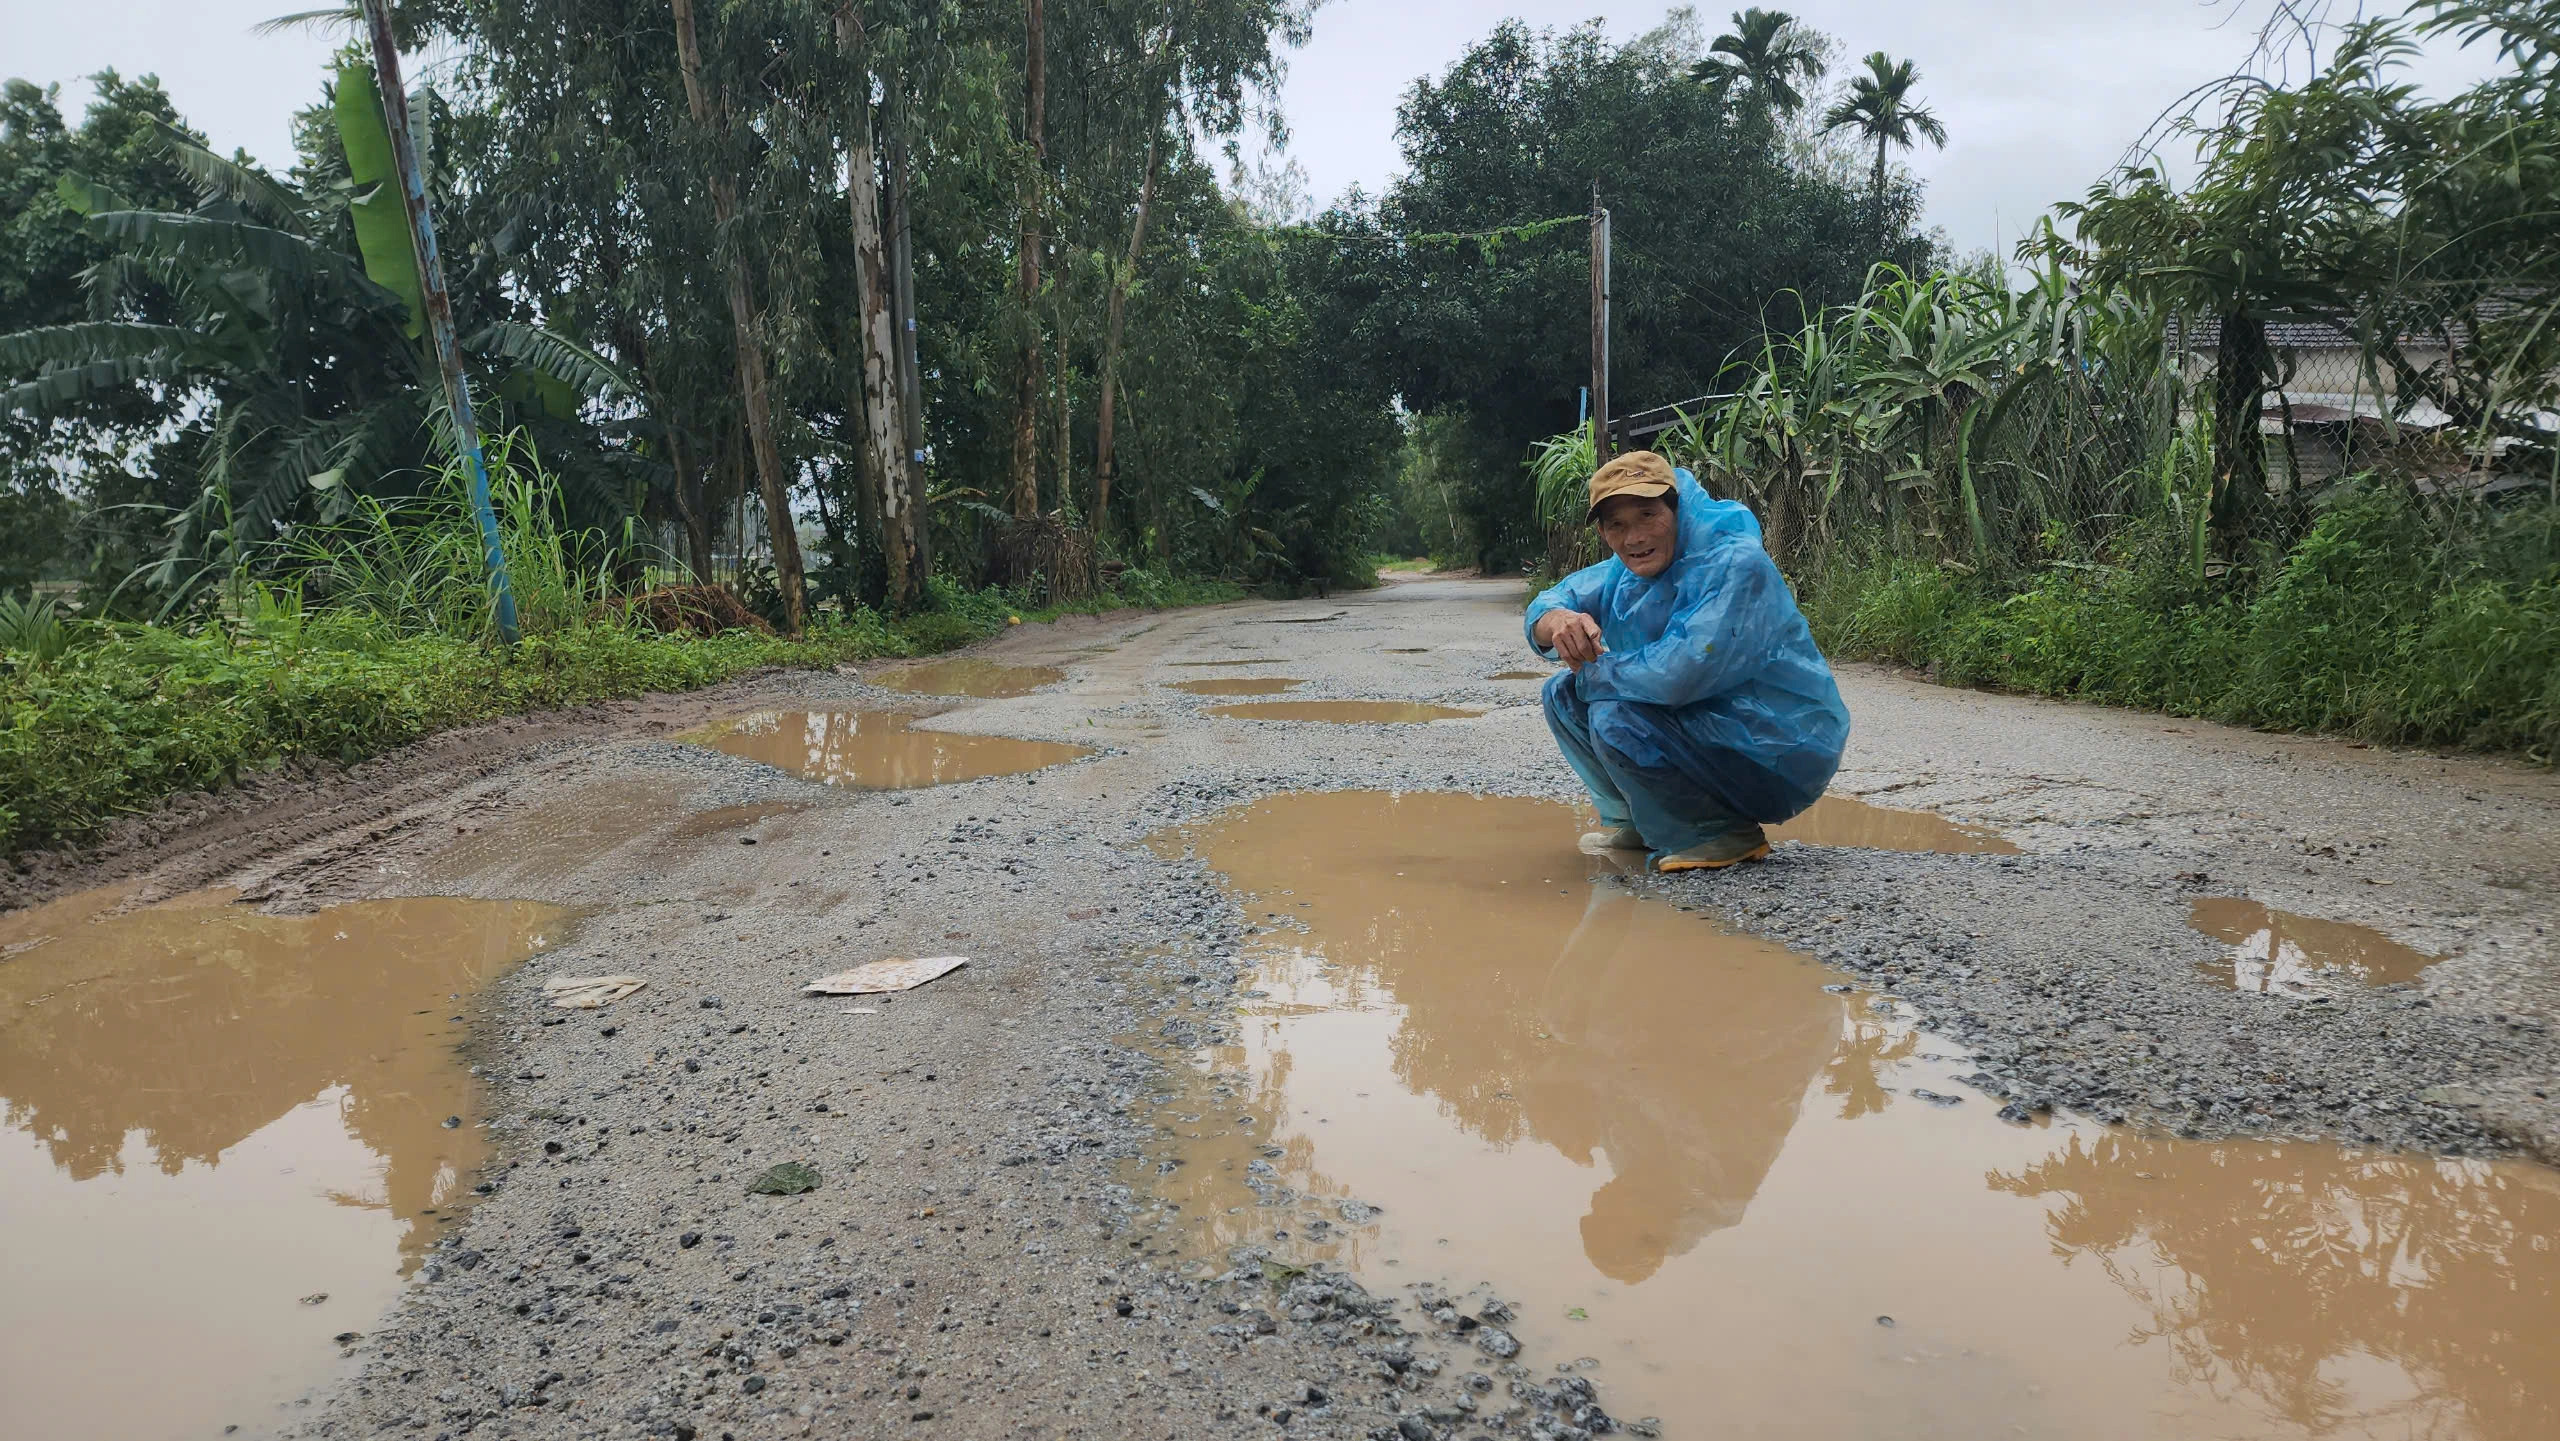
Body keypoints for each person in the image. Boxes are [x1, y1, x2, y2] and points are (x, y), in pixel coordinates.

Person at [1527, 450, 1849, 872]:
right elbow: (1551, 601)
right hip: (1713, 733)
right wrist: (1558, 622)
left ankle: (1716, 832)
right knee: (1562, 694)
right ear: (1604, 532)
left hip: (1778, 748)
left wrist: (1593, 674)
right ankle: (1645, 822)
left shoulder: (1733, 562)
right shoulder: (1622, 572)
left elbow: (1679, 673)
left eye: (1647, 515)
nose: (1634, 537)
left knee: (1611, 711)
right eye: (1617, 525)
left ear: (1675, 509)